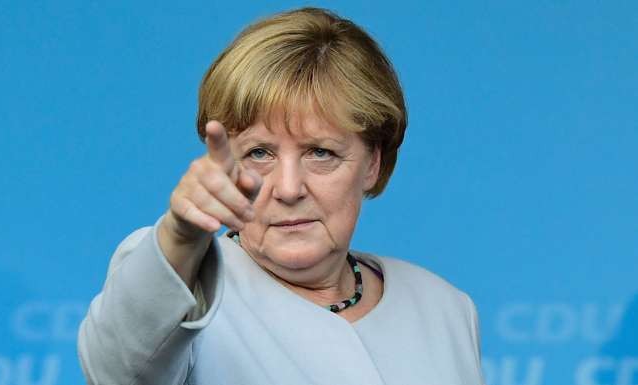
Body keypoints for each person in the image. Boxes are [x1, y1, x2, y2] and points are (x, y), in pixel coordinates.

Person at [78, 7, 486, 385]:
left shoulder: (444, 307)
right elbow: (117, 372)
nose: (288, 188)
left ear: (373, 162)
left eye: (320, 152)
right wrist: (182, 238)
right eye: (259, 153)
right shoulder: (183, 288)